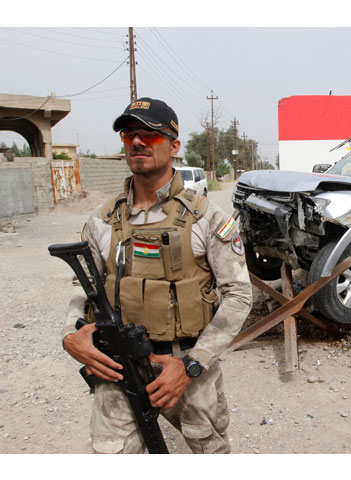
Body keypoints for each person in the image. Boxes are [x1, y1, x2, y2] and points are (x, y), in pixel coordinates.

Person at [60, 97, 252, 454]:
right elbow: (82, 286)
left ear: (174, 146)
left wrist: (192, 365)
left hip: (187, 365)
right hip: (119, 366)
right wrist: (71, 335)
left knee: (209, 451)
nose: (137, 142)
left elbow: (239, 295)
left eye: (150, 135)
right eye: (129, 135)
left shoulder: (206, 218)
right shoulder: (102, 220)